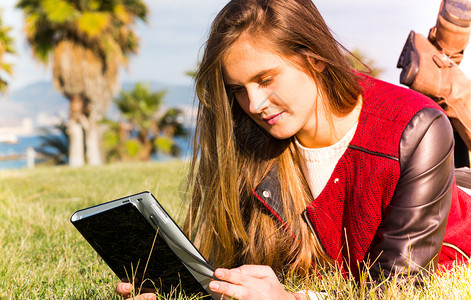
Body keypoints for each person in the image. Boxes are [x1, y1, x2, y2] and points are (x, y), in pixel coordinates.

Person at [116, 0, 471, 299]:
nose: (253, 104)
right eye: (238, 88)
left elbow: (398, 287)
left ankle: (447, 77)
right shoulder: (252, 136)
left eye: (266, 79)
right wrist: (181, 289)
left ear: (314, 57)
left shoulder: (418, 128)